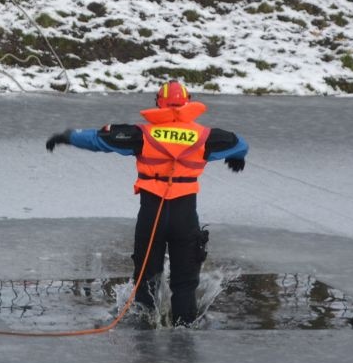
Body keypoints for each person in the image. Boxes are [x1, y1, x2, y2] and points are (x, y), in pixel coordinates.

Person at [44, 80, 248, 327]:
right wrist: (237, 157)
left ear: (158, 103)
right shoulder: (207, 137)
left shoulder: (142, 135)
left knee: (146, 280)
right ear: (188, 102)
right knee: (184, 284)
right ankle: (184, 336)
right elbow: (239, 143)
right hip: (186, 216)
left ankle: (144, 333)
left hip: (152, 215)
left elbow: (100, 139)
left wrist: (68, 137)